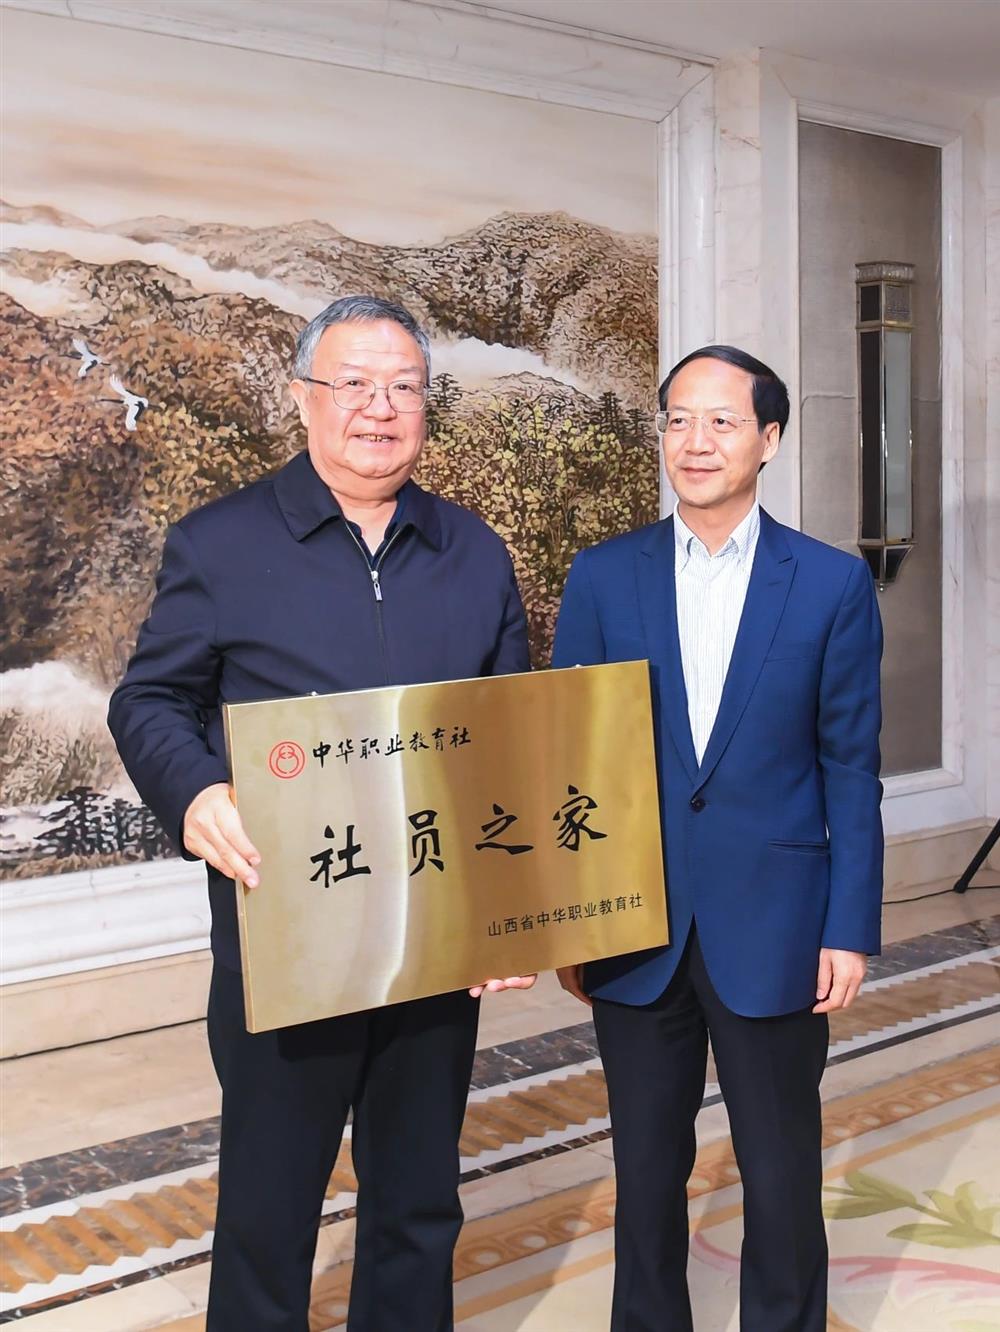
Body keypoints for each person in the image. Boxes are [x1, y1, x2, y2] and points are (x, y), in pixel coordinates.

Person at [108, 295, 534, 1332]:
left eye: (403, 388)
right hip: (285, 935)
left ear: (426, 406)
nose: (379, 409)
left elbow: (510, 735)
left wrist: (510, 909)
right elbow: (149, 700)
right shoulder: (220, 544)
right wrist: (195, 790)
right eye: (353, 385)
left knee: (420, 1200)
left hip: (434, 937)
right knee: (270, 1203)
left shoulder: (474, 552)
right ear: (302, 399)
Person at [552, 345, 883, 1332]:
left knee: (779, 1173)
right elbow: (569, 758)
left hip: (776, 924)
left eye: (722, 421)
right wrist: (571, 916)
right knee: (644, 1171)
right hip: (633, 923)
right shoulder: (603, 577)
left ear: (768, 439)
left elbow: (848, 766)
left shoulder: (828, 584)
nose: (695, 442)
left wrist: (848, 926)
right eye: (678, 420)